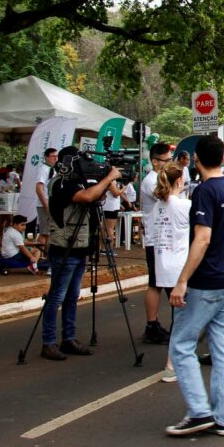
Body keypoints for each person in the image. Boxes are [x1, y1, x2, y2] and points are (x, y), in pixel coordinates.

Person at [166, 135, 224, 437]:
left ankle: (200, 411)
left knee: (181, 344)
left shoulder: (204, 191)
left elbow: (202, 238)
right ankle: (223, 418)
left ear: (197, 159)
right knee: (222, 348)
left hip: (207, 282)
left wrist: (182, 280)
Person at [40, 148, 122, 361]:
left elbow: (96, 196)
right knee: (57, 295)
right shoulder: (60, 183)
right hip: (64, 247)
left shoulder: (76, 182)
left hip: (80, 246)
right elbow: (87, 197)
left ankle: (69, 338)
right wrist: (110, 178)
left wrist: (104, 182)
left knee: (72, 296)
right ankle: (48, 341)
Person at [151, 164, 190, 382]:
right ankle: (171, 364)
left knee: (182, 315)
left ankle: (179, 358)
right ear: (178, 181)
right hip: (180, 268)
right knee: (182, 318)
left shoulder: (158, 206)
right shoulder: (184, 205)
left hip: (163, 266)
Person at [141, 142, 175, 345]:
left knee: (165, 282)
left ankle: (159, 324)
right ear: (155, 162)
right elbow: (167, 197)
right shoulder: (151, 180)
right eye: (167, 160)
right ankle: (151, 325)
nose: (170, 163)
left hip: (167, 238)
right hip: (157, 239)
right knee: (156, 283)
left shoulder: (162, 178)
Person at [34, 148, 58, 249]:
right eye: (53, 157)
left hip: (52, 203)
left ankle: (46, 255)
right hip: (45, 204)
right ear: (47, 157)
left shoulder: (53, 169)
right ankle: (39, 256)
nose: (55, 159)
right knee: (44, 232)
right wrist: (46, 206)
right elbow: (39, 189)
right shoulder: (43, 169)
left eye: (57, 157)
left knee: (49, 232)